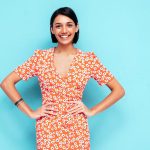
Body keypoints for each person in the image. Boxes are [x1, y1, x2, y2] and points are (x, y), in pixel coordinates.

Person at [0, 6, 125, 150]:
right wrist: (29, 112)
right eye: (58, 26)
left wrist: (92, 111)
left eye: (69, 25)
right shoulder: (40, 57)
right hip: (47, 130)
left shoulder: (88, 60)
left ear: (77, 28)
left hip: (78, 131)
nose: (64, 31)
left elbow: (119, 90)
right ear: (52, 30)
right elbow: (6, 83)